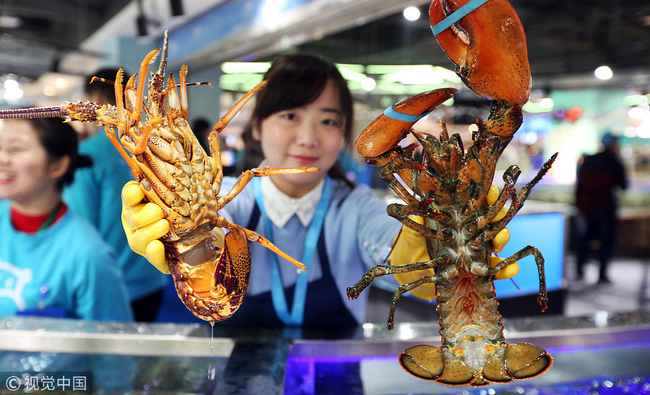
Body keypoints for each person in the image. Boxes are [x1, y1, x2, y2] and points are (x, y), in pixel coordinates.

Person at [120, 54, 516, 327]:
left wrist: (437, 249)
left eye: (328, 121)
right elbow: (191, 231)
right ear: (255, 127)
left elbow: (415, 269)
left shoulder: (358, 208)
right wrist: (166, 233)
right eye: (290, 115)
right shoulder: (227, 198)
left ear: (344, 132)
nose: (308, 137)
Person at [0, 117, 133, 321]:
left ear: (58, 165)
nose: (2, 158)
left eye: (15, 149)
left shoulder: (89, 257)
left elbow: (111, 347)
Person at [63, 68, 168, 322]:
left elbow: (80, 228)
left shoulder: (87, 155)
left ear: (95, 102)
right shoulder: (161, 144)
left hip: (107, 283)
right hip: (155, 275)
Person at [575, 132, 628, 283]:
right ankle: (602, 274)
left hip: (587, 207)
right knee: (607, 241)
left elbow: (579, 185)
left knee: (584, 239)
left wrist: (579, 205)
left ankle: (580, 269)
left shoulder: (589, 160)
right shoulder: (615, 163)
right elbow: (623, 185)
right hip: (606, 207)